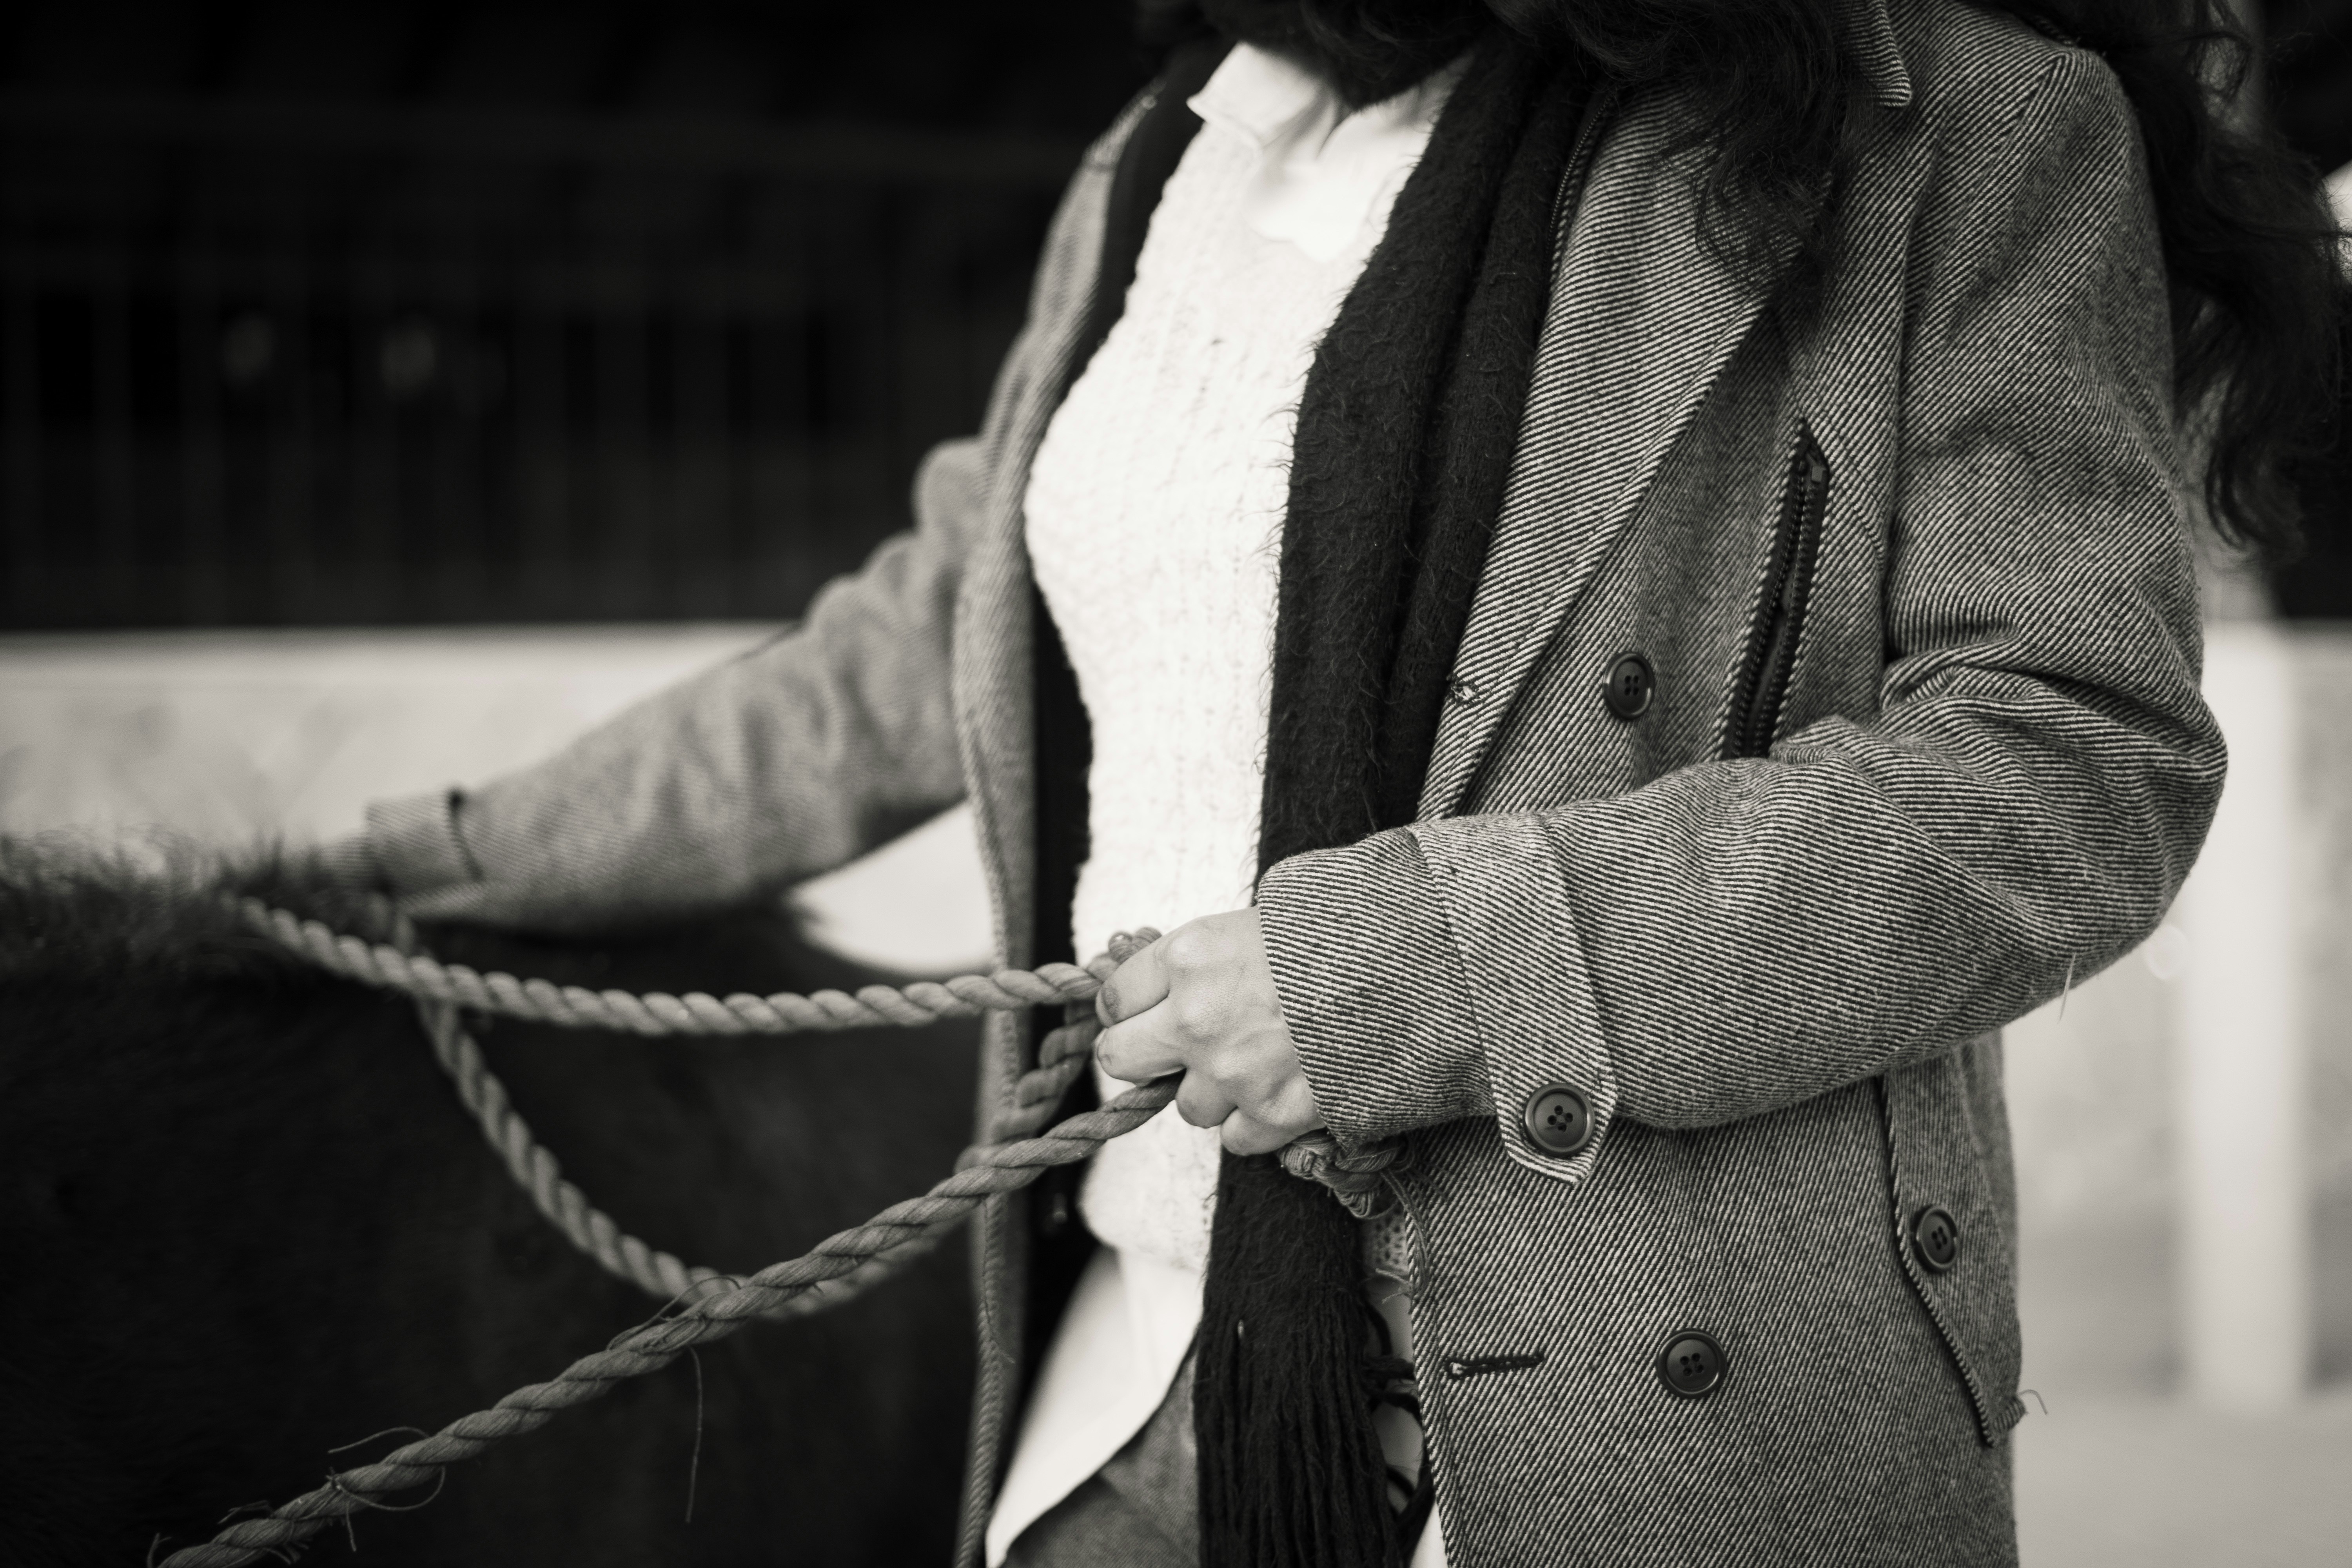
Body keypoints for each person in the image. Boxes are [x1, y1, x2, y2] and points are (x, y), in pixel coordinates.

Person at [347, 0, 2343, 1564]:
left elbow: (2064, 759)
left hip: (1673, 1413)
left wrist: (1411, 976)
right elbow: (914, 644)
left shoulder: (1963, 122)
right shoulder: (1170, 156)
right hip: (1136, 1348)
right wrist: (425, 864)